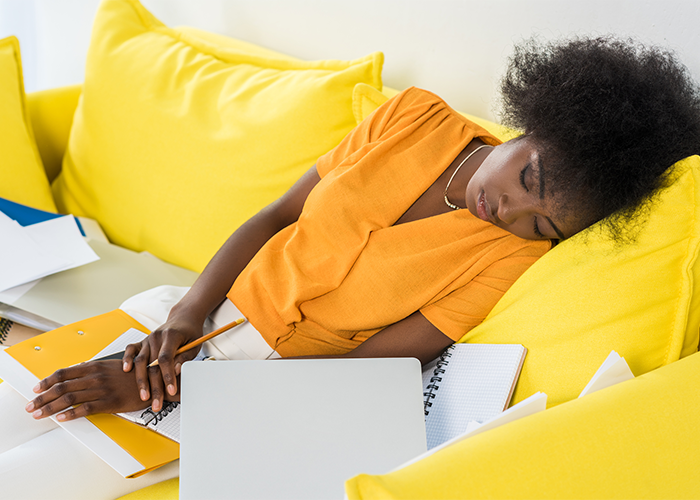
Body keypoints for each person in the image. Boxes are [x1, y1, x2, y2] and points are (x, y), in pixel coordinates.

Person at [2, 35, 700, 499]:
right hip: (182, 315)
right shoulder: (414, 118)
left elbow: (370, 370)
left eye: (542, 223)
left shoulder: (507, 260)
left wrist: (187, 391)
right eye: (528, 176)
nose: (509, 210)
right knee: (13, 402)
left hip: (261, 391)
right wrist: (181, 322)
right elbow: (274, 218)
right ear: (531, 121)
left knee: (29, 480)